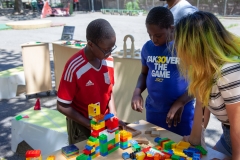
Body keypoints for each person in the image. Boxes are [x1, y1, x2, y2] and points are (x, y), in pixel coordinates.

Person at [174, 11, 240, 159]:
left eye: (179, 44)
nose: (177, 50)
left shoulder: (228, 72)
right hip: (229, 137)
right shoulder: (203, 71)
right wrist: (194, 140)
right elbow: (200, 106)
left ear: (194, 46)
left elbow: (238, 126)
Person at [57, 19, 123, 144]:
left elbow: (109, 91)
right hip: (81, 127)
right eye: (106, 50)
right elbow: (62, 105)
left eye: (112, 48)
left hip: (104, 122)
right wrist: (88, 124)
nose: (109, 53)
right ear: (91, 44)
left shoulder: (108, 60)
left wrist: (113, 115)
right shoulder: (74, 66)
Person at [131, 6, 195, 136]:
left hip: (181, 114)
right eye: (150, 35)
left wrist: (181, 101)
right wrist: (137, 93)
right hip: (154, 113)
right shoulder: (148, 48)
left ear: (171, 28)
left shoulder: (184, 47)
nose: (154, 39)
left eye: (158, 35)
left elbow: (199, 82)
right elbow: (144, 73)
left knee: (182, 152)